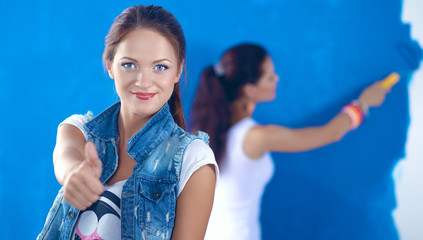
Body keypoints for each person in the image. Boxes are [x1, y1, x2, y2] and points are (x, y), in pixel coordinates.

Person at [38, 5, 217, 240]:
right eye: (129, 65)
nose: (143, 81)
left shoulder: (193, 161)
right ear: (110, 65)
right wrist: (74, 173)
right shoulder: (79, 129)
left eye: (160, 67)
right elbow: (66, 157)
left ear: (177, 72)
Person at [190, 43, 397, 240]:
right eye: (270, 78)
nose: (277, 79)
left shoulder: (208, 133)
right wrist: (364, 103)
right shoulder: (255, 137)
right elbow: (330, 133)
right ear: (249, 90)